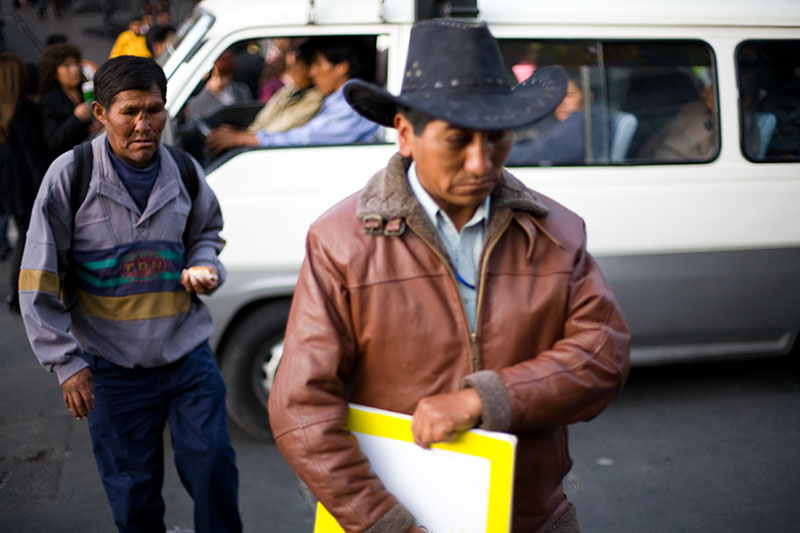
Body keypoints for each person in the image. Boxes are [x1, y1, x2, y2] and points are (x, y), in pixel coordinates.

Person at [268, 19, 630, 533]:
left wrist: (486, 398)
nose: (482, 162)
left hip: (532, 518)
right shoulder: (340, 241)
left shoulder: (558, 233)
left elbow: (603, 355)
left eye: (497, 138)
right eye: (458, 140)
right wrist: (387, 523)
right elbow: (301, 409)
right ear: (406, 134)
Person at [18, 56, 242, 533]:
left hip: (186, 358)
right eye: (130, 112)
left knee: (214, 472)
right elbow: (38, 277)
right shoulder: (70, 176)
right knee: (134, 493)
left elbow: (207, 232)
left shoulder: (183, 170)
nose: (144, 124)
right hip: (110, 368)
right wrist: (66, 363)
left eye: (155, 110)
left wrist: (204, 264)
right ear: (100, 113)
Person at [206, 36, 380, 154]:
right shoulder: (334, 100)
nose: (311, 73)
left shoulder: (352, 106)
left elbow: (307, 138)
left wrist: (244, 138)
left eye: (317, 65)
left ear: (341, 66)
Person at [203, 40, 323, 148]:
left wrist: (241, 137)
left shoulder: (314, 100)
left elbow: (277, 130)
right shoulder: (290, 91)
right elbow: (262, 120)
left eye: (297, 61)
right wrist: (240, 133)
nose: (290, 65)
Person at [0, 53, 48, 312]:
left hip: (10, 184)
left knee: (24, 236)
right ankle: (20, 294)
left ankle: (17, 293)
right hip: (25, 185)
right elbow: (34, 153)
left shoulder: (6, 108)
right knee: (29, 239)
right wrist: (46, 188)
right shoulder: (24, 108)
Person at [37, 42, 99, 165]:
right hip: (69, 162)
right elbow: (53, 141)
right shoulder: (49, 99)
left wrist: (100, 122)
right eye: (67, 66)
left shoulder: (85, 89)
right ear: (54, 72)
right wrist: (76, 118)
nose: (75, 69)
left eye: (76, 63)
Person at [638, 83, 718, 162]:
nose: (705, 92)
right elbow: (664, 148)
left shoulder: (716, 116)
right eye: (709, 87)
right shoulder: (695, 112)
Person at [184, 47, 253, 120]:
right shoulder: (197, 99)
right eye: (216, 76)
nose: (220, 81)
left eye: (225, 76)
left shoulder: (241, 91)